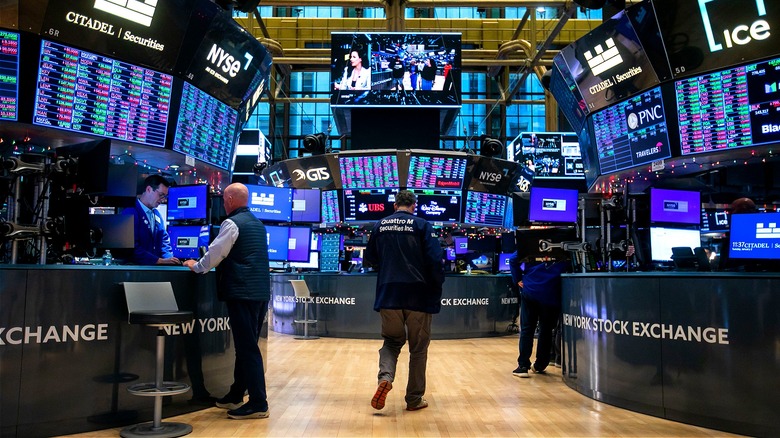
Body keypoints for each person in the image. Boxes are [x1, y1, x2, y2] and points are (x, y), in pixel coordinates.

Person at [183, 183, 271, 420]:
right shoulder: (257, 224)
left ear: (231, 199)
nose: (223, 202)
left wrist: (196, 266)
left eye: (224, 198)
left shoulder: (231, 223)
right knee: (247, 346)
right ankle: (235, 394)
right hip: (259, 293)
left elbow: (215, 253)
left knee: (247, 348)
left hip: (241, 293)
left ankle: (258, 403)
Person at [363, 190, 444, 412]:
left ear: (394, 205)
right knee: (418, 349)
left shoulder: (380, 225)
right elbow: (436, 261)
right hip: (418, 295)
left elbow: (369, 258)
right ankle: (414, 399)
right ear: (413, 206)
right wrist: (436, 288)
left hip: (388, 294)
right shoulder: (422, 225)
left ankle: (385, 378)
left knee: (391, 342)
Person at [509, 252, 569, 378]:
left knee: (527, 329)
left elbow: (513, 260)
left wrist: (518, 279)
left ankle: (523, 366)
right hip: (552, 291)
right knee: (546, 330)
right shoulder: (564, 240)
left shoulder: (532, 238)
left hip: (531, 288)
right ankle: (540, 365)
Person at [124, 175, 181, 266]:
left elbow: (164, 240)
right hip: (136, 271)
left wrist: (169, 259)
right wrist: (158, 260)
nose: (163, 200)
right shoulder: (131, 212)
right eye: (161, 195)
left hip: (154, 271)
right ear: (149, 189)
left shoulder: (157, 214)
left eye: (165, 196)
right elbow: (132, 247)